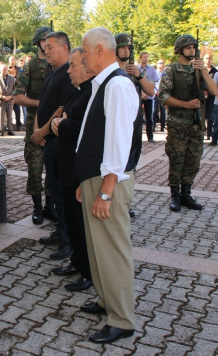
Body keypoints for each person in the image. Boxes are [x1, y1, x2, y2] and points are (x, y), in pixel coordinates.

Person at [75, 27, 140, 344]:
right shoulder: (105, 84)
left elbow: (118, 143)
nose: (83, 56)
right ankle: (107, 300)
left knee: (112, 251)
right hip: (97, 178)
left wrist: (105, 190)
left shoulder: (116, 86)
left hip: (108, 181)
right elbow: (95, 137)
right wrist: (85, 180)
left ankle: (122, 319)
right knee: (98, 249)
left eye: (85, 51)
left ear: (100, 49)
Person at [50, 47, 94, 291]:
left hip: (77, 171)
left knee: (80, 225)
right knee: (71, 221)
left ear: (87, 68)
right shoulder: (76, 92)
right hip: (65, 168)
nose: (69, 70)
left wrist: (62, 124)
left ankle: (88, 273)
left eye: (73, 65)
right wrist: (59, 122)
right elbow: (66, 120)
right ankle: (78, 262)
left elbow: (83, 130)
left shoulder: (91, 95)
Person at [159, 35, 217, 212]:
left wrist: (205, 72)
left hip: (196, 125)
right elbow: (163, 96)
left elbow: (214, 91)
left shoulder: (199, 70)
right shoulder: (171, 70)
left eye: (194, 47)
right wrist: (186, 104)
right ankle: (175, 195)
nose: (192, 50)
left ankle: (186, 193)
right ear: (180, 49)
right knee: (176, 160)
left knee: (193, 160)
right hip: (178, 124)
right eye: (188, 47)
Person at [31, 31, 75, 260]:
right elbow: (43, 106)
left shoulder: (68, 73)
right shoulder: (52, 74)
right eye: (44, 47)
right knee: (54, 190)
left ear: (64, 47)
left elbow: (61, 110)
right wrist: (38, 130)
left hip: (59, 142)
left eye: (50, 47)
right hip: (48, 140)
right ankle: (60, 231)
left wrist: (41, 132)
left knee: (61, 192)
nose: (45, 51)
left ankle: (69, 240)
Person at [13, 26, 56, 227]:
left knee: (54, 168)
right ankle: (37, 207)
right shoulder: (29, 67)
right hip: (34, 126)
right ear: (38, 42)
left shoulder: (58, 65)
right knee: (35, 168)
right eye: (45, 40)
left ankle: (50, 206)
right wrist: (41, 103)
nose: (48, 44)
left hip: (56, 126)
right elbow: (18, 96)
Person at [114, 33, 149, 218]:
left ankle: (126, 202)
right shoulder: (112, 71)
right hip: (119, 125)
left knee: (131, 164)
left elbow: (150, 91)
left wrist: (139, 74)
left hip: (134, 125)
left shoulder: (134, 71)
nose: (126, 50)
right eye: (123, 47)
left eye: (129, 48)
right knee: (119, 163)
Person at [138, 51, 159, 142]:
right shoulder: (136, 68)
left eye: (147, 57)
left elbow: (153, 82)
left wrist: (147, 93)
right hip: (139, 96)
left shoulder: (152, 69)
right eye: (144, 57)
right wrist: (142, 94)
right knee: (138, 117)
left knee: (149, 117)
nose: (145, 59)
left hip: (149, 96)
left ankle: (150, 136)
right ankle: (137, 136)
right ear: (140, 58)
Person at [0, 65, 15, 136]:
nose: (5, 70)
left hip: (10, 99)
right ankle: (1, 130)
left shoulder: (12, 78)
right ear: (0, 70)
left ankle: (10, 130)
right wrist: (2, 96)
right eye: (3, 69)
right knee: (1, 116)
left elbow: (15, 88)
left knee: (10, 115)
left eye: (6, 69)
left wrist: (10, 96)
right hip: (1, 100)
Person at [203, 53, 218, 140]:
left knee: (210, 116)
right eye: (206, 58)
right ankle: (202, 131)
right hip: (201, 95)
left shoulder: (215, 71)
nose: (208, 60)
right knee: (201, 114)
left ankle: (209, 133)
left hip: (211, 96)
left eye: (209, 58)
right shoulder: (200, 69)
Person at [9, 56, 23, 130]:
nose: (12, 61)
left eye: (13, 60)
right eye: (11, 60)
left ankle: (18, 125)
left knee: (17, 111)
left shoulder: (19, 69)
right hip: (9, 96)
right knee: (9, 112)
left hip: (16, 95)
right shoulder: (7, 69)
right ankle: (10, 125)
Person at [153, 59, 166, 132]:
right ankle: (153, 126)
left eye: (163, 63)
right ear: (157, 64)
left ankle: (163, 126)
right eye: (160, 63)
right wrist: (156, 91)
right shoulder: (154, 73)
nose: (161, 64)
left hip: (163, 94)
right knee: (154, 111)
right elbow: (152, 83)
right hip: (155, 94)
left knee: (163, 111)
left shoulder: (165, 73)